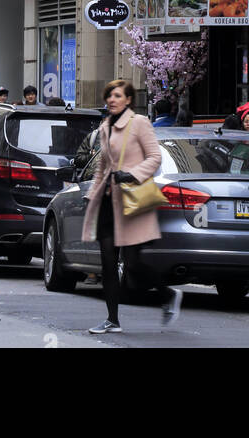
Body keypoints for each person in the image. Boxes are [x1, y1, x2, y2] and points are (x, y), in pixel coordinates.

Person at [82, 79, 182, 335]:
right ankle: (112, 319)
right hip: (108, 202)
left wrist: (132, 174)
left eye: (117, 96)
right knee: (107, 262)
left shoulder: (139, 123)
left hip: (131, 200)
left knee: (134, 264)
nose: (112, 100)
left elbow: (155, 157)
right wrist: (92, 194)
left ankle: (168, 294)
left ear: (128, 100)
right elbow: (102, 166)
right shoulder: (106, 126)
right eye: (109, 96)